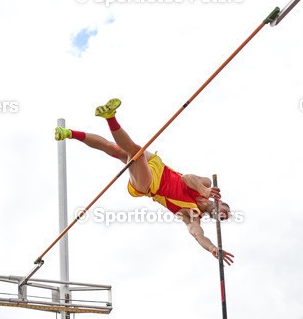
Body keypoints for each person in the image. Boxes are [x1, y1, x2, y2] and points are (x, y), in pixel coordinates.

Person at [55, 98, 234, 264]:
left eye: (222, 218)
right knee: (114, 149)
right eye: (224, 211)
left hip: (148, 185)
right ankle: (68, 133)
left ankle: (110, 117)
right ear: (220, 202)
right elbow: (187, 178)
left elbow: (197, 234)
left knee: (136, 152)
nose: (221, 215)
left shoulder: (193, 216)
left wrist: (212, 248)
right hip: (158, 166)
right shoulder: (207, 186)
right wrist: (203, 191)